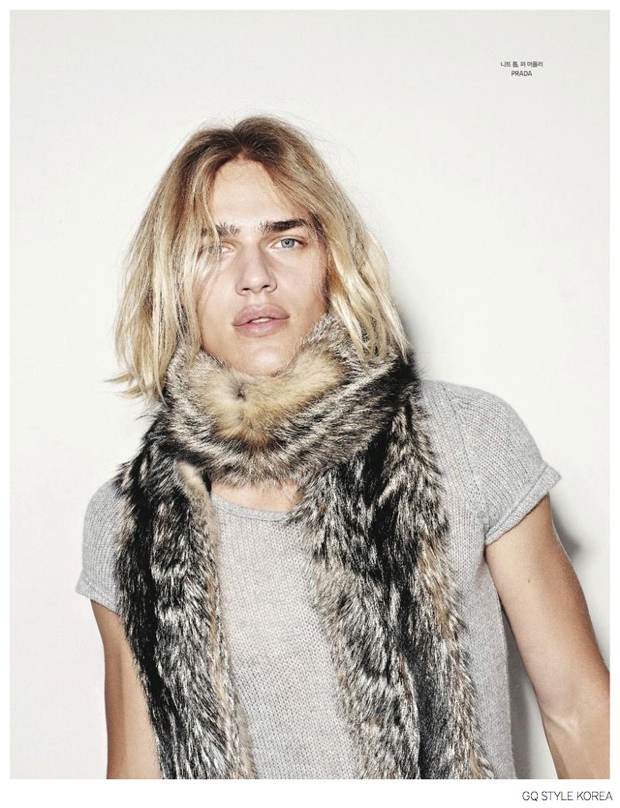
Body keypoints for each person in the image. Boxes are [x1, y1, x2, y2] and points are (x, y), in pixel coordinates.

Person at [77, 116, 609, 780]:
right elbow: (136, 778)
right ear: (172, 283)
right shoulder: (127, 520)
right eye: (214, 247)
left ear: (331, 260)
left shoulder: (468, 435)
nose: (254, 276)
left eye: (287, 239)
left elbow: (579, 710)